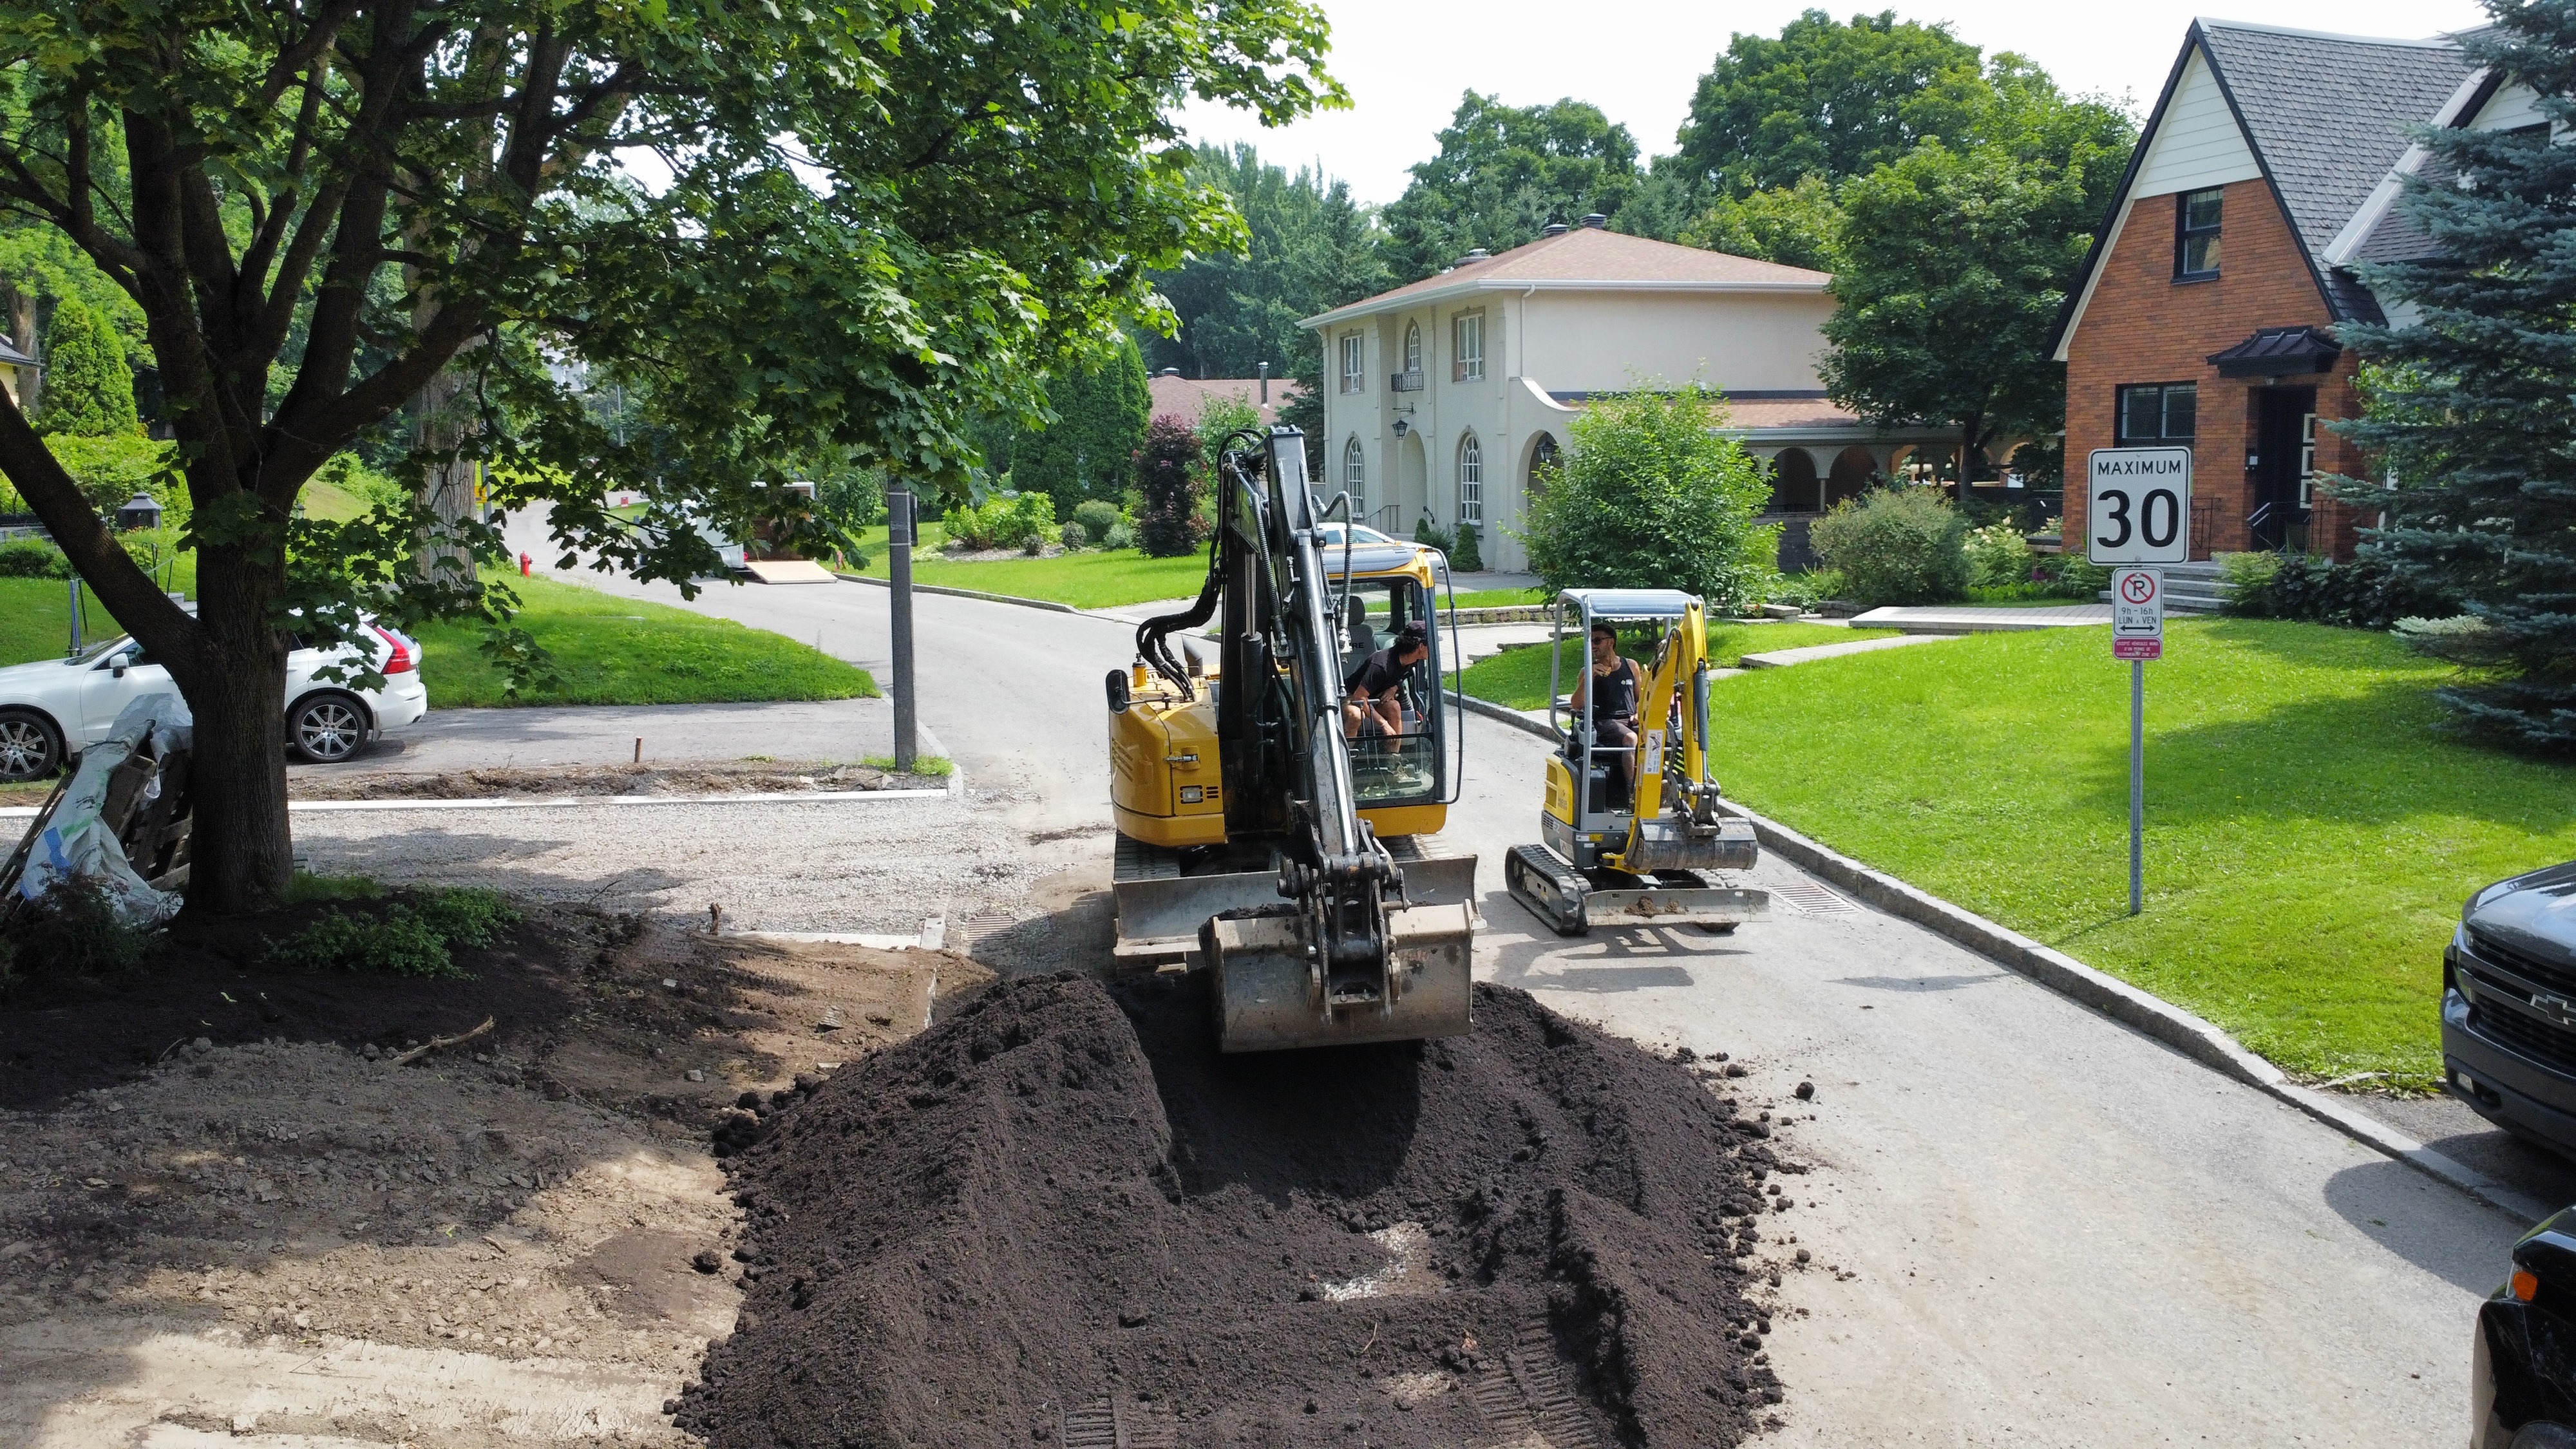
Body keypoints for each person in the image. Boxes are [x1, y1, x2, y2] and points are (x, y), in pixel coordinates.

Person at [1569, 621, 1645, 803]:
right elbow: (1577, 704)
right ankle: (1633, 792)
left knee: (1659, 737)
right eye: (1590, 642)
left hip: (1630, 720)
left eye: (1597, 641)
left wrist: (1638, 713)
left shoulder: (1631, 666)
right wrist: (1589, 677)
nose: (1593, 646)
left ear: (1610, 642)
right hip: (1605, 723)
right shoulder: (1587, 671)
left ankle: (1658, 786)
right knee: (1631, 739)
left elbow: (1640, 697)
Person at [1345, 620, 1431, 740]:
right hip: (1351, 697)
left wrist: (1393, 688)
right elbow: (1359, 697)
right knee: (1356, 715)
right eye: (1431, 644)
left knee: (1394, 706)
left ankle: (1394, 756)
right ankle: (1347, 755)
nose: (1434, 648)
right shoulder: (1381, 665)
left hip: (1373, 698)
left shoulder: (1412, 661)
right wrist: (1383, 724)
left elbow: (1401, 674)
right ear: (1421, 646)